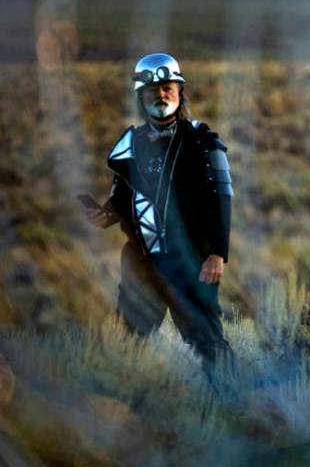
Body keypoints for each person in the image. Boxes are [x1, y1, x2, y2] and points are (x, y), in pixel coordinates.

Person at [86, 52, 233, 369]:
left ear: (180, 92)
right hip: (141, 262)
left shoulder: (203, 140)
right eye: (152, 89)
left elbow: (222, 199)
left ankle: (236, 405)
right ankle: (125, 407)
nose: (161, 94)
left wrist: (216, 254)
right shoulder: (131, 142)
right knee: (127, 342)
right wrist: (105, 215)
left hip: (191, 261)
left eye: (168, 87)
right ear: (141, 97)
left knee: (208, 345)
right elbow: (122, 197)